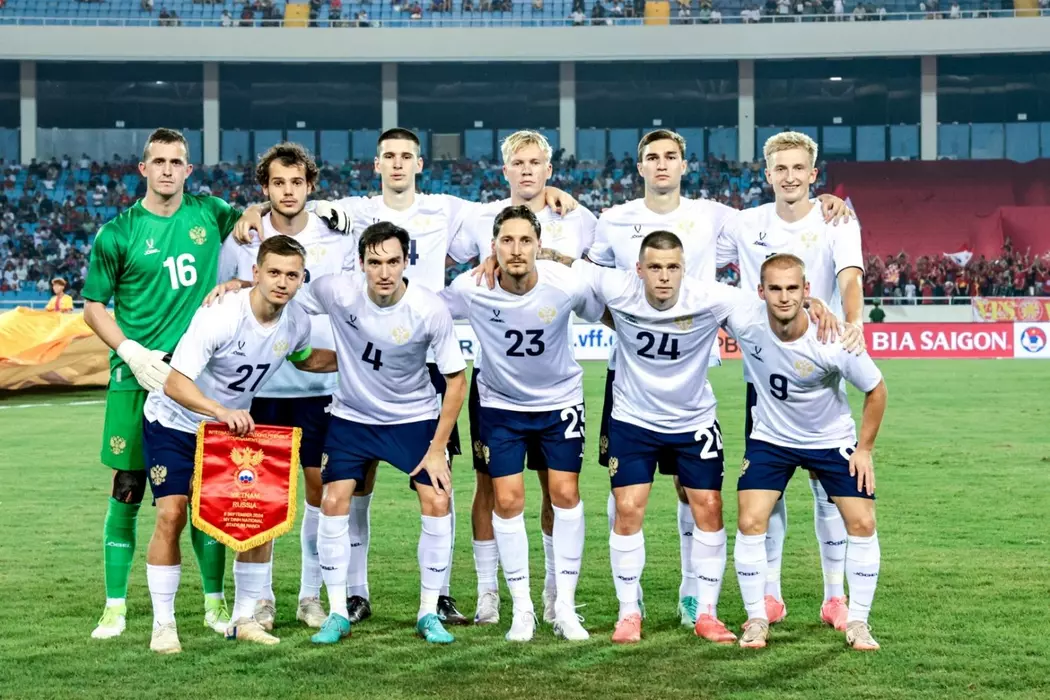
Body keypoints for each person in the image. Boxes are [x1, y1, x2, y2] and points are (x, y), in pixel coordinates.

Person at [233, 127, 577, 627]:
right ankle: (354, 593)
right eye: (388, 156)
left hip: (425, 361)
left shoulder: (447, 209)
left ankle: (439, 597)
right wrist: (254, 210)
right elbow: (292, 203)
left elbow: (511, 214)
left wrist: (547, 192)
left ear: (419, 163)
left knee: (439, 482)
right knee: (354, 486)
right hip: (363, 374)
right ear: (377, 164)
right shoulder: (354, 211)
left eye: (406, 156)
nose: (397, 163)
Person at [582, 129, 851, 629]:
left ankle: (693, 599)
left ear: (685, 165)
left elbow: (780, 221)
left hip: (692, 371)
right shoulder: (612, 219)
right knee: (625, 497)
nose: (662, 164)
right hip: (630, 375)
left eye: (671, 156)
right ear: (639, 166)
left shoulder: (716, 216)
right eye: (652, 157)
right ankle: (630, 604)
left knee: (695, 495)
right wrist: (627, 323)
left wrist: (823, 205)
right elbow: (585, 279)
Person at [82, 128, 243, 639]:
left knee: (201, 494)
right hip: (137, 377)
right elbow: (92, 307)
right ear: (144, 169)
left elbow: (258, 233)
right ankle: (114, 607)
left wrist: (236, 280)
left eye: (177, 162)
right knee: (128, 488)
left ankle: (215, 604)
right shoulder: (117, 233)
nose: (168, 170)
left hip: (195, 377)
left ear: (188, 170)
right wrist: (129, 351)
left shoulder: (212, 213)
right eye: (159, 161)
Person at [140, 235, 323, 653]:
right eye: (273, 272)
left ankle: (243, 620)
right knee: (172, 513)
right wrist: (220, 410)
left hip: (227, 433)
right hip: (175, 423)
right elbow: (174, 384)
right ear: (255, 273)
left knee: (257, 520)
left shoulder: (297, 323)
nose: (282, 282)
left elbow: (306, 359)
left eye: (291, 275)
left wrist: (371, 357)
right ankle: (163, 625)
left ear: (301, 279)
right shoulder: (221, 315)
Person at [446, 130, 597, 626]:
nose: (527, 170)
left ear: (549, 170)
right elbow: (435, 284)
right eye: (519, 162)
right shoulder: (478, 222)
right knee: (491, 491)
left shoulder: (576, 218)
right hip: (497, 392)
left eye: (536, 163)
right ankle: (493, 594)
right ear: (505, 169)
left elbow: (601, 282)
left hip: (556, 394)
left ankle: (556, 597)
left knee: (560, 492)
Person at [715, 130, 864, 629]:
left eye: (799, 168)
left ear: (813, 173)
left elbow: (849, 275)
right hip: (764, 372)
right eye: (781, 168)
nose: (790, 176)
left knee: (829, 494)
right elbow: (694, 246)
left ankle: (834, 596)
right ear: (767, 174)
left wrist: (853, 322)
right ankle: (771, 594)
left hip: (822, 367)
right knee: (767, 492)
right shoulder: (746, 223)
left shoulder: (836, 217)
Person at [299, 222, 467, 646]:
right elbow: (282, 293)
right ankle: (338, 612)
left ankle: (428, 611)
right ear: (360, 263)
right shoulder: (337, 291)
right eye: (374, 263)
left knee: (438, 499)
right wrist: (238, 286)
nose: (384, 272)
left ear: (407, 261)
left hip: (413, 417)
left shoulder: (428, 309)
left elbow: (456, 380)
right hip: (352, 416)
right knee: (332, 500)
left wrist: (437, 449)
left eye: (393, 261)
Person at [214, 142, 357, 632]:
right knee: (260, 495)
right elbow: (226, 297)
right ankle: (262, 599)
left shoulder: (337, 235)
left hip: (321, 387)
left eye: (297, 182)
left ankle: (310, 596)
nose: (288, 191)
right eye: (278, 183)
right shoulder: (242, 240)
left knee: (319, 491)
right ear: (265, 188)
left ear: (311, 185)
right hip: (261, 390)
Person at [725, 253, 886, 651]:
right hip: (771, 438)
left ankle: (858, 622)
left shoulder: (832, 338)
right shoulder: (745, 320)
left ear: (806, 291)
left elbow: (876, 389)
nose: (784, 297)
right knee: (750, 520)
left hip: (829, 440)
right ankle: (757, 619)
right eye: (775, 289)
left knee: (863, 522)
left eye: (793, 289)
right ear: (760, 291)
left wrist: (864, 450)